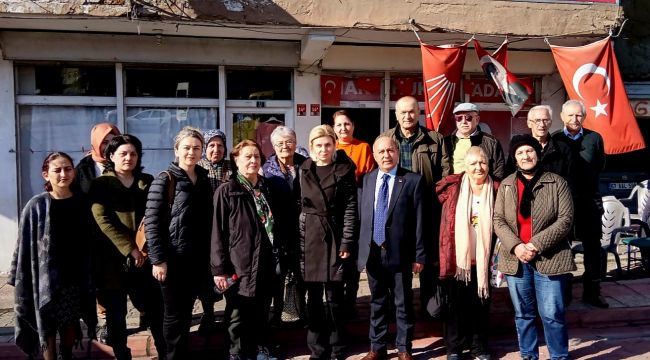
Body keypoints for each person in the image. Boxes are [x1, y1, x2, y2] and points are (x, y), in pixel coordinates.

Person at [494, 134, 575, 360]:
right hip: (516, 260)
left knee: (552, 314)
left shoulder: (557, 182)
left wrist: (535, 245)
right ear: (515, 158)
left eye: (529, 151)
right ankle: (528, 355)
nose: (525, 155)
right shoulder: (508, 185)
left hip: (550, 257)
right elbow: (498, 220)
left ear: (537, 154)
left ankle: (559, 356)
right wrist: (517, 246)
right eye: (519, 153)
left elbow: (565, 220)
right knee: (523, 314)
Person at [9, 152, 96, 360]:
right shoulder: (36, 206)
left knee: (69, 326)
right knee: (46, 327)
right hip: (44, 278)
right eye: (57, 170)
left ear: (74, 172)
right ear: (46, 174)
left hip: (73, 276)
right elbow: (24, 247)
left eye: (68, 169)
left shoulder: (83, 203)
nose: (63, 174)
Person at [89, 135, 166, 360]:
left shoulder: (146, 181)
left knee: (154, 310)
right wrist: (130, 248)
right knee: (116, 315)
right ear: (111, 156)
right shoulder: (101, 184)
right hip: (112, 261)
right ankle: (123, 355)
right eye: (123, 153)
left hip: (145, 258)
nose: (129, 158)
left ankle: (164, 353)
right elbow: (102, 219)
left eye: (133, 153)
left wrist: (148, 248)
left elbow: (157, 216)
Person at [145, 127, 213, 360]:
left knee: (186, 313)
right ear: (176, 150)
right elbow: (152, 223)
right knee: (173, 315)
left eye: (196, 148)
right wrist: (158, 260)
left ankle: (182, 353)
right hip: (172, 259)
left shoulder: (204, 179)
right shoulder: (165, 180)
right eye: (186, 147)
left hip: (196, 259)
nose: (191, 152)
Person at [357, 135, 426, 360]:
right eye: (381, 152)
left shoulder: (412, 180)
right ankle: (377, 347)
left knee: (403, 302)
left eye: (390, 150)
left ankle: (404, 348)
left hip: (400, 253)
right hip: (373, 253)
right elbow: (363, 217)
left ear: (397, 152)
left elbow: (419, 221)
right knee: (377, 302)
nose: (386, 155)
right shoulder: (367, 180)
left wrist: (419, 255)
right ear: (374, 156)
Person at [212, 140, 279, 360]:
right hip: (239, 262)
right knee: (237, 313)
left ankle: (261, 348)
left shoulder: (266, 187)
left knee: (261, 310)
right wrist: (219, 269)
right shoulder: (227, 191)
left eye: (256, 157)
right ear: (236, 160)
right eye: (247, 157)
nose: (253, 161)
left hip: (266, 260)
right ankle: (236, 353)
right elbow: (218, 233)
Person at [384, 95, 449, 317]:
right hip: (397, 213)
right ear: (396, 115)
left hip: (427, 211)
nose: (407, 116)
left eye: (411, 111)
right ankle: (400, 310)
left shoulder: (435, 139)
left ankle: (430, 309)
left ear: (419, 113)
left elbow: (445, 177)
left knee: (428, 261)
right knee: (398, 264)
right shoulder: (386, 139)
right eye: (402, 112)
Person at [297, 125, 358, 360]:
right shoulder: (303, 169)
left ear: (334, 145)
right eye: (319, 145)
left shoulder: (344, 169)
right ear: (311, 147)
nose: (323, 149)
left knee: (334, 298)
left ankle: (338, 346)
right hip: (309, 239)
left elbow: (351, 209)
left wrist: (346, 243)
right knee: (313, 298)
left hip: (334, 237)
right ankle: (317, 349)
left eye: (328, 144)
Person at [436, 147, 499, 360]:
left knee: (480, 305)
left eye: (482, 163)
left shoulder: (497, 188)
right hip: (457, 259)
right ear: (465, 166)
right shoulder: (453, 188)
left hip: (484, 260)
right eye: (473, 164)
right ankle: (454, 348)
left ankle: (478, 347)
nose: (478, 168)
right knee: (455, 306)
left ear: (488, 165)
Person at [552, 99, 607, 308]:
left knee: (593, 247)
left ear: (584, 117)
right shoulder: (555, 139)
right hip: (562, 203)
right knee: (562, 246)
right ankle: (563, 294)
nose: (575, 119)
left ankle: (592, 292)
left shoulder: (595, 138)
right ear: (562, 116)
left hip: (589, 203)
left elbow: (599, 164)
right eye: (570, 115)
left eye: (579, 115)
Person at [73, 122, 121, 342]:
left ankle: (140, 313)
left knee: (124, 281)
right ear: (95, 143)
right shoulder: (81, 169)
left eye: (113, 139)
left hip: (121, 234)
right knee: (100, 283)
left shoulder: (124, 162)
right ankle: (105, 322)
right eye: (105, 141)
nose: (109, 144)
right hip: (92, 236)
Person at [261, 126, 307, 326]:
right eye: (279, 143)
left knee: (302, 274)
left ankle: (302, 312)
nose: (284, 146)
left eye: (288, 141)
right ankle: (277, 312)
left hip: (302, 229)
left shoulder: (306, 165)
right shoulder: (266, 169)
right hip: (278, 231)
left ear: (295, 143)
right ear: (273, 146)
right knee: (278, 274)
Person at [333, 110, 376, 318]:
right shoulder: (329, 147)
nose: (343, 128)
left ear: (353, 126)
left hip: (357, 204)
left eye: (347, 124)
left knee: (354, 258)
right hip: (335, 208)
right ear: (334, 128)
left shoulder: (363, 147)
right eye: (339, 125)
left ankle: (350, 300)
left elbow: (368, 179)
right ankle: (336, 303)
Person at [196, 129, 232, 333]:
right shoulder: (197, 168)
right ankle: (208, 313)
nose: (216, 149)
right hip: (204, 230)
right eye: (211, 145)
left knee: (227, 272)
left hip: (227, 229)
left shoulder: (231, 167)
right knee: (205, 275)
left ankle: (230, 313)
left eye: (220, 145)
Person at [505, 105, 572, 179]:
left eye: (545, 120)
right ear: (529, 123)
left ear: (550, 123)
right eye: (538, 120)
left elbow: (570, 178)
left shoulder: (562, 148)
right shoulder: (519, 146)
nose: (542, 125)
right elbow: (509, 175)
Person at [444, 103, 505, 180]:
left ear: (477, 119)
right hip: (452, 189)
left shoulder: (492, 142)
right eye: (459, 118)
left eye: (468, 118)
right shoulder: (446, 142)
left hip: (481, 188)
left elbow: (499, 170)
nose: (463, 122)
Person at [74, 122, 121, 193]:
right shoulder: (83, 168)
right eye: (105, 142)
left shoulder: (125, 164)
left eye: (113, 142)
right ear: (96, 143)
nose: (109, 147)